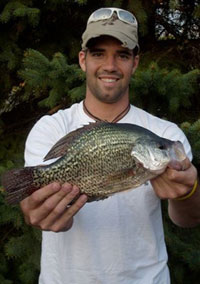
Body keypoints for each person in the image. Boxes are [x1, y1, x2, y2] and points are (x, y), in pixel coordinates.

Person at [20, 7, 200, 284]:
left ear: (135, 62)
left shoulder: (165, 134)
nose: (110, 65)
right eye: (98, 53)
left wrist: (187, 192)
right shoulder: (51, 129)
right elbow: (51, 218)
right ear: (83, 59)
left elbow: (188, 219)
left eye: (123, 54)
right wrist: (49, 213)